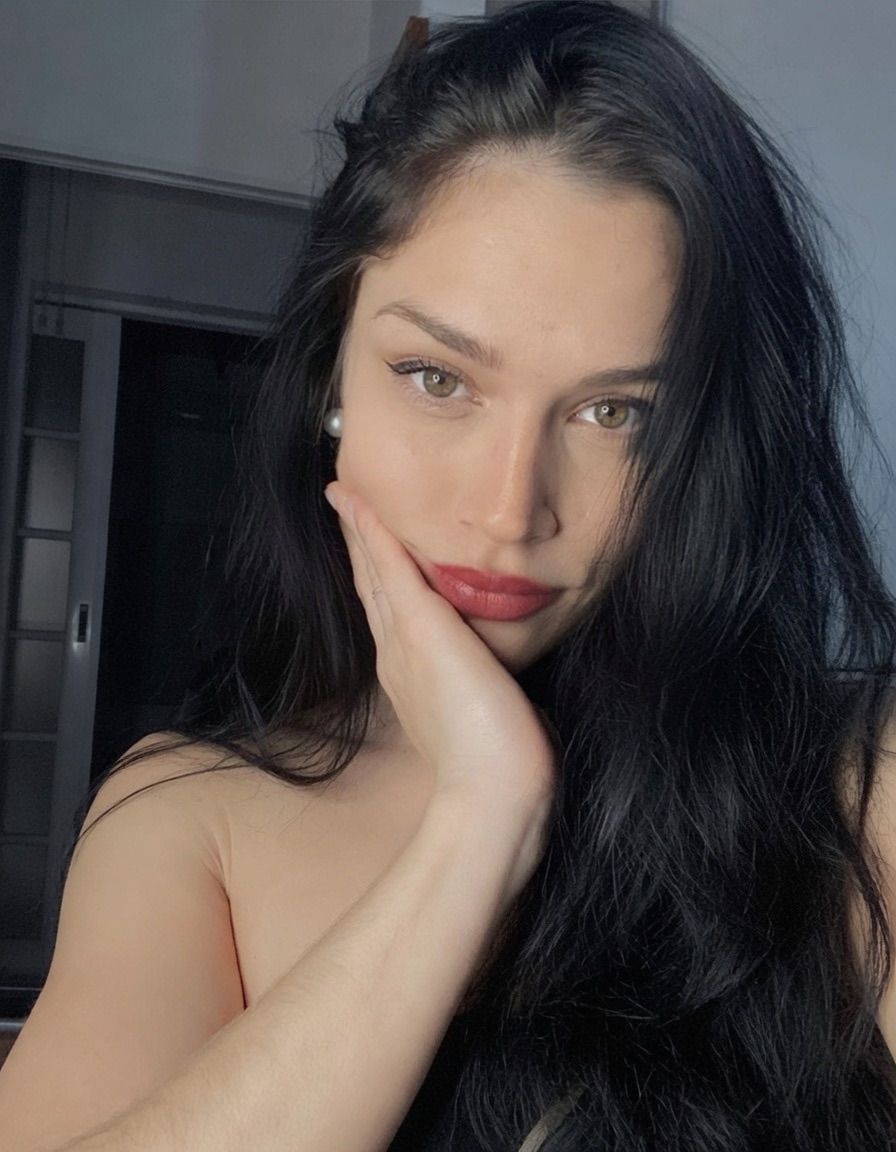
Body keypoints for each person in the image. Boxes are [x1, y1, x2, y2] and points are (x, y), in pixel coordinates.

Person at [2, 1, 895, 1148]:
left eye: (615, 413)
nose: (508, 510)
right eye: (436, 379)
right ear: (332, 378)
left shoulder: (847, 796)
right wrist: (479, 820)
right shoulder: (191, 821)